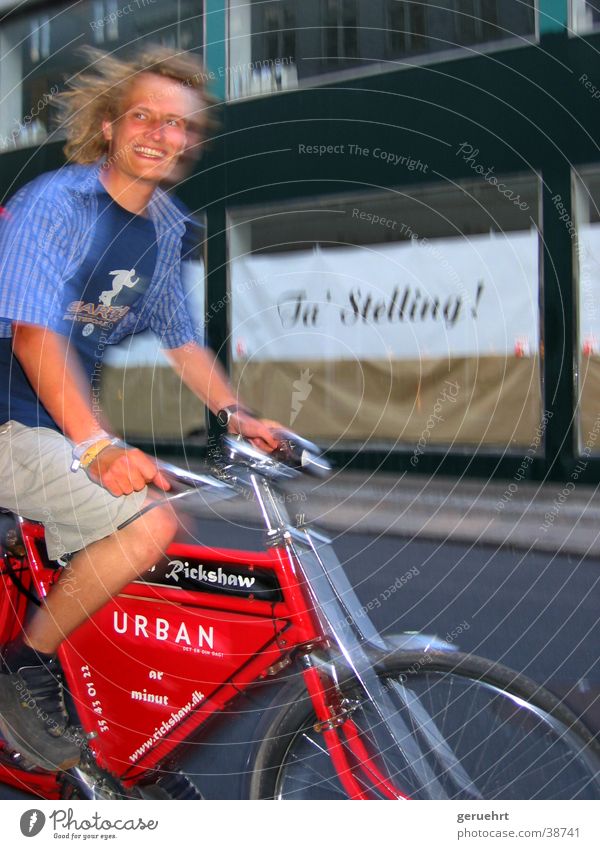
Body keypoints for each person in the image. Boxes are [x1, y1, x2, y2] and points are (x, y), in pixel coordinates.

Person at [0, 47, 278, 772]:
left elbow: (181, 339)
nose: (160, 133)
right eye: (145, 116)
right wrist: (97, 446)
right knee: (149, 524)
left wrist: (237, 414)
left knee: (142, 558)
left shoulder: (161, 226)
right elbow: (34, 334)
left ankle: (124, 756)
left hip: (55, 424)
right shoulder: (55, 205)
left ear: (191, 142)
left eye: (178, 125)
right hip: (8, 420)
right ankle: (21, 665)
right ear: (109, 125)